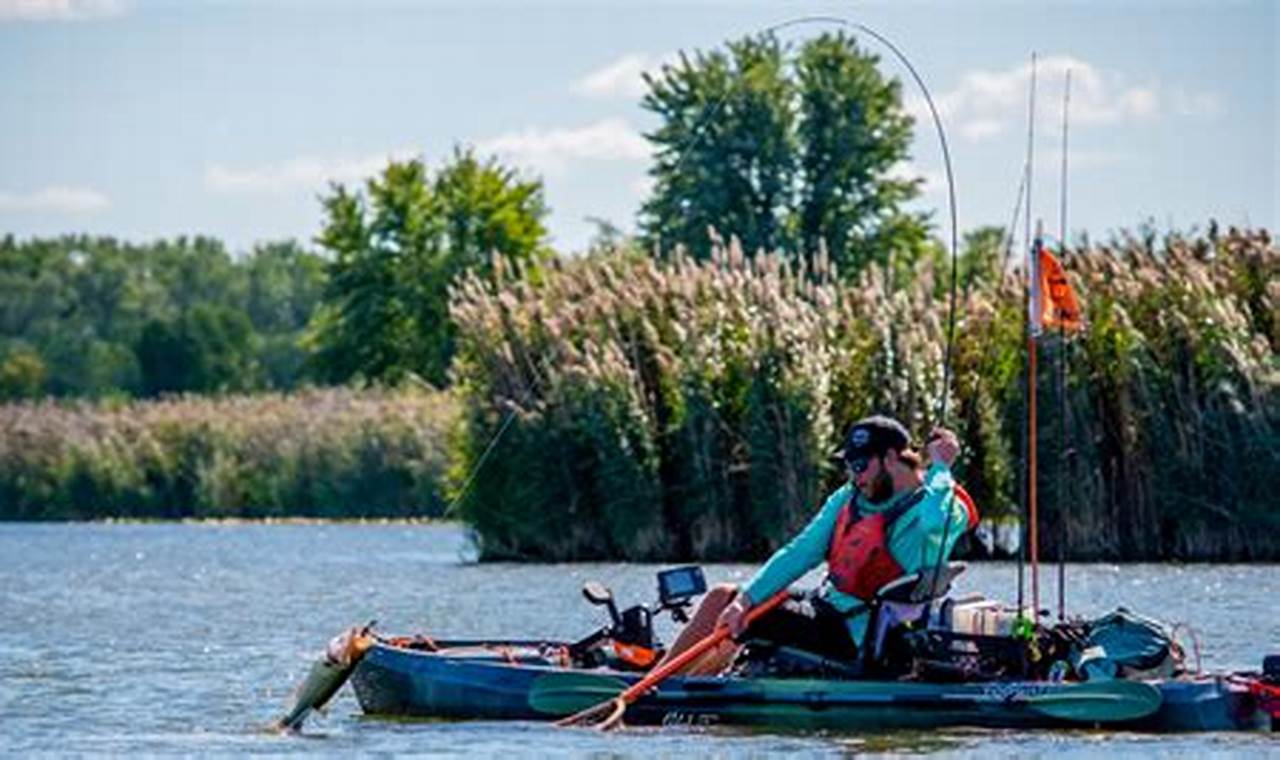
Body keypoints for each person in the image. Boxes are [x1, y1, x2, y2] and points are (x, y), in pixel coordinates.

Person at [657, 414, 973, 674]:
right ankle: (668, 681)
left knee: (732, 607)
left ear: (891, 458)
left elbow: (935, 523)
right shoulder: (848, 498)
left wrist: (941, 467)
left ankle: (664, 686)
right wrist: (747, 599)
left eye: (861, 465)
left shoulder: (943, 506)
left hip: (857, 635)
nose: (854, 475)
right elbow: (801, 551)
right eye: (849, 465)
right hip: (825, 611)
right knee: (728, 599)